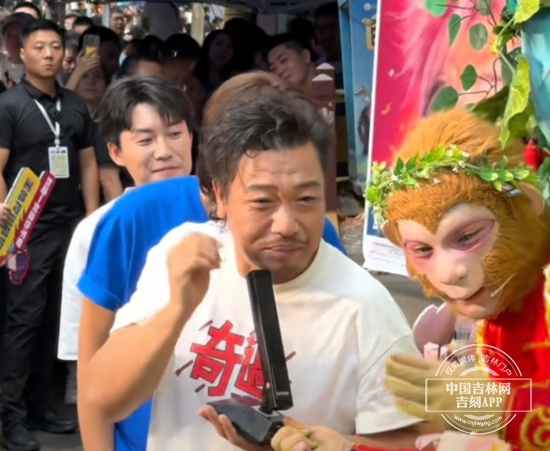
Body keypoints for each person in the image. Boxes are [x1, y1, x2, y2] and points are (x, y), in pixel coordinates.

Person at [79, 71, 420, 451]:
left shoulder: (366, 307)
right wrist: (176, 310)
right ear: (221, 197)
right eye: (262, 201)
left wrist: (343, 445)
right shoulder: (181, 255)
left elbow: (412, 440)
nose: (286, 225)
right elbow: (103, 398)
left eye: (306, 200)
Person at [374, 108, 550, 450]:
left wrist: (494, 408)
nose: (448, 274)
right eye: (423, 250)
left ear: (526, 206)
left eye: (468, 237)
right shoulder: (492, 317)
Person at [58, 76, 194, 405]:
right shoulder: (95, 230)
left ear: (191, 136)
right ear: (115, 152)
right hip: (136, 401)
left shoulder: (228, 211)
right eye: (145, 140)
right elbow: (84, 355)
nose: (164, 152)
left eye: (175, 134)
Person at [0, 18, 99, 451]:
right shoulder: (9, 105)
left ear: (65, 54)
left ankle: (41, 406)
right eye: (39, 47)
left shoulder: (75, 105)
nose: (48, 54)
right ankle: (11, 417)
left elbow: (89, 162)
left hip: (68, 225)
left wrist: (91, 217)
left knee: (55, 319)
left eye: (55, 46)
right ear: (21, 53)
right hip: (25, 231)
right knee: (23, 320)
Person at [0, 12, 35, 88]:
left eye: (19, 35)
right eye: (9, 35)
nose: (14, 40)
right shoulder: (2, 61)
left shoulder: (39, 64)